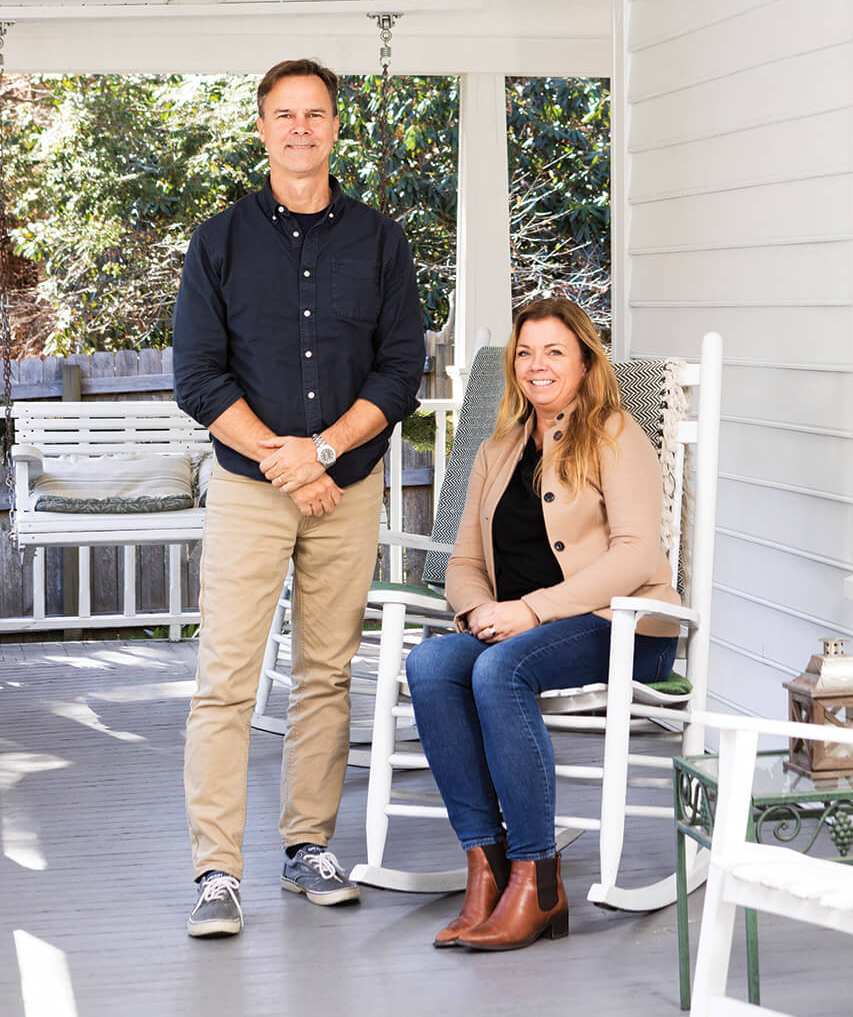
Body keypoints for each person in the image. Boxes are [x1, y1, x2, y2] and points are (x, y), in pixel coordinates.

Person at [173, 58, 425, 938]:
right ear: (262, 127)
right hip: (250, 489)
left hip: (347, 486)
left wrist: (323, 452)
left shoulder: (381, 243)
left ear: (333, 128)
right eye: (285, 115)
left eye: (315, 114)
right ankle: (216, 871)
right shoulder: (219, 242)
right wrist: (287, 461)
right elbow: (198, 378)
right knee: (226, 682)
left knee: (325, 676)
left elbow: (401, 370)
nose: (301, 129)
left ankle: (307, 847)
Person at [405, 297, 679, 952]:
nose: (538, 365)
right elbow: (466, 560)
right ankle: (486, 864)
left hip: (623, 626)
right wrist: (476, 611)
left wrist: (528, 611)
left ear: (585, 361)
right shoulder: (497, 450)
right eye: (526, 353)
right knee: (432, 664)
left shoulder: (614, 433)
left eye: (555, 351)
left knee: (501, 670)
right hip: (524, 629)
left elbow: (637, 552)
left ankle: (538, 878)